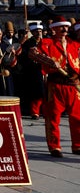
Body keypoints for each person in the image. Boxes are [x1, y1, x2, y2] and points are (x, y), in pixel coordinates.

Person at [29, 16, 80, 158]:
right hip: (56, 85)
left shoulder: (74, 44)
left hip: (73, 84)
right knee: (53, 117)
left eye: (66, 27)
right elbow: (33, 53)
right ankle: (54, 146)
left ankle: (77, 145)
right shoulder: (47, 43)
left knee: (77, 117)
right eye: (61, 27)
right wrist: (49, 61)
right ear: (54, 29)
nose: (64, 29)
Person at [20, 21, 45, 119]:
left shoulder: (45, 42)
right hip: (34, 70)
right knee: (37, 91)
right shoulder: (28, 43)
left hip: (46, 69)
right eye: (36, 31)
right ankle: (35, 111)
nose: (38, 33)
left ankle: (45, 110)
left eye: (40, 31)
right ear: (32, 32)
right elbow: (23, 56)